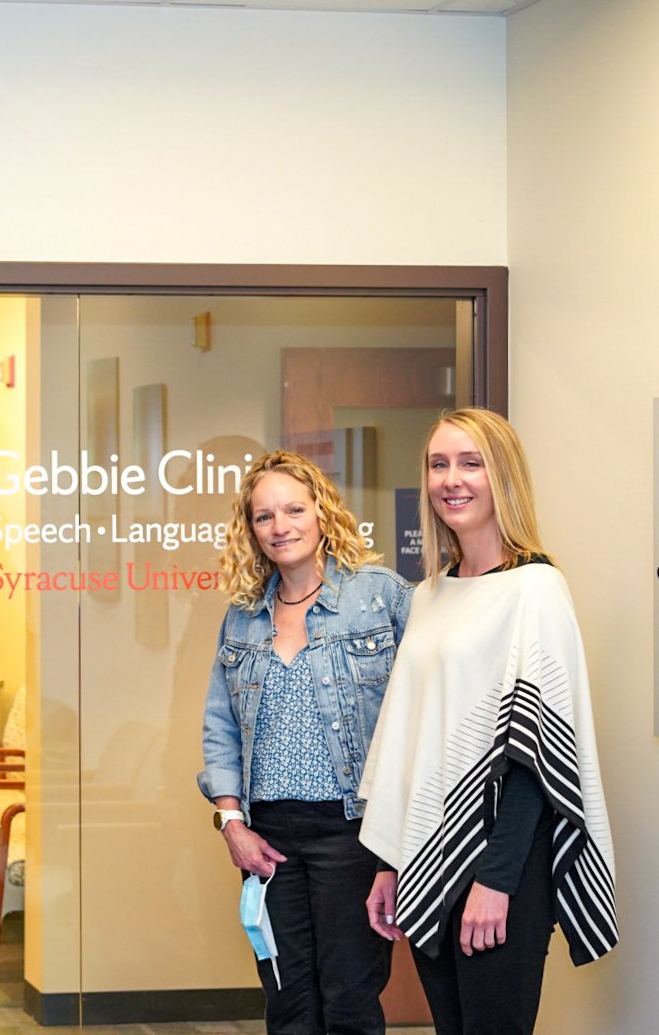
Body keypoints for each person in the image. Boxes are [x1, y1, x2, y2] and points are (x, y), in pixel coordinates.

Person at [359, 409, 616, 1033]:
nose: (452, 479)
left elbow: (541, 759)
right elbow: (410, 744)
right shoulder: (429, 595)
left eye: (471, 463)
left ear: (503, 476)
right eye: (438, 464)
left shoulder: (536, 588)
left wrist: (495, 883)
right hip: (426, 860)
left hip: (505, 865)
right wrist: (389, 864)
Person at [198, 450, 411, 1034]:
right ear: (250, 529)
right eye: (264, 517)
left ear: (323, 514)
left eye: (294, 509)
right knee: (288, 1003)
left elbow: (419, 719)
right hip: (267, 841)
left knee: (349, 1000)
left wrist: (397, 847)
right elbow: (219, 726)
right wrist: (232, 825)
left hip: (354, 835)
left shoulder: (380, 597)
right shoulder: (243, 616)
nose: (280, 527)